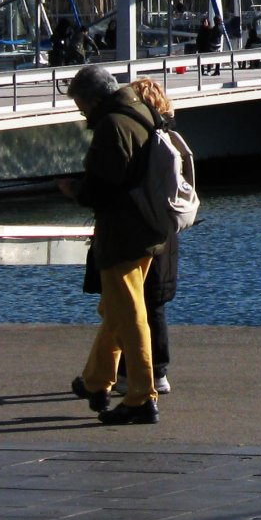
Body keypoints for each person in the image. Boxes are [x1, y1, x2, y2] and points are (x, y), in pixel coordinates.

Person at [60, 64, 166, 425]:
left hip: (122, 233)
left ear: (92, 100)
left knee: (130, 315)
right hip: (148, 229)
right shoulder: (139, 109)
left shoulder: (111, 126)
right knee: (117, 309)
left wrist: (74, 189)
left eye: (79, 105)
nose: (80, 112)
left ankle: (141, 397)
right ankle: (96, 381)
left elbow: (101, 188)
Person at [106, 78, 181, 396]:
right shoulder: (172, 138)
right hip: (167, 229)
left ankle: (133, 373)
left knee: (133, 306)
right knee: (155, 305)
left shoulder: (140, 138)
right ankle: (158, 369)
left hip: (143, 230)